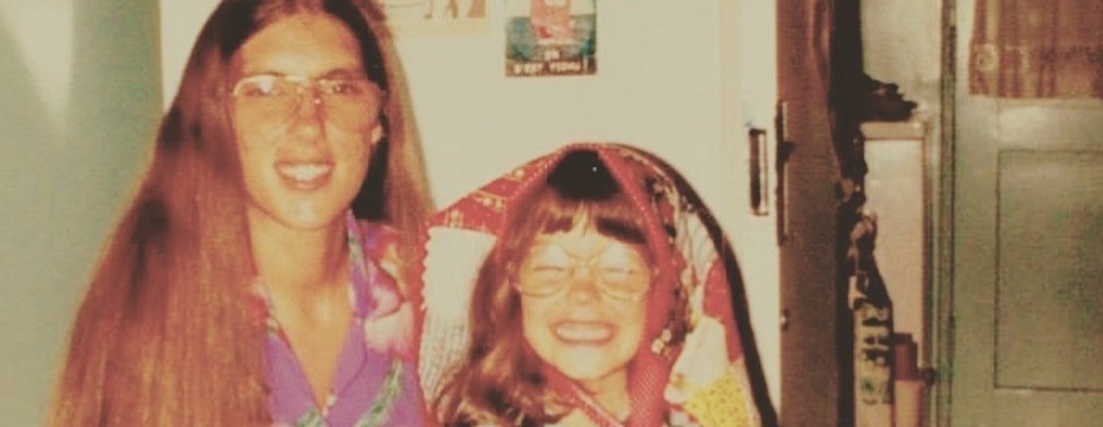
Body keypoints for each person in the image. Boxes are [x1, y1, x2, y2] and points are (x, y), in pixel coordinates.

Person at [47, 1, 432, 426]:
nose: (309, 124)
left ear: (378, 121)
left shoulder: (436, 296)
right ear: (216, 118)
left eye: (340, 88)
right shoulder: (148, 314)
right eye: (266, 91)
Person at [422, 144, 765, 426]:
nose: (583, 295)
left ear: (663, 290)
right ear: (513, 282)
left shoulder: (705, 418)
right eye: (550, 268)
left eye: (618, 271)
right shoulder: (477, 417)